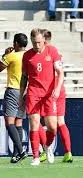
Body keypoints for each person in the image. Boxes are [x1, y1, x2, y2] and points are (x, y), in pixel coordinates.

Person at [19, 28, 64, 166]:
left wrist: (57, 89)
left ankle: (47, 146)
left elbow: (60, 73)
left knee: (52, 127)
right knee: (34, 122)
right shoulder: (27, 55)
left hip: (49, 94)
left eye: (39, 42)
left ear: (44, 40)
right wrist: (21, 96)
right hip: (33, 92)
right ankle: (36, 157)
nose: (37, 45)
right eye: (34, 43)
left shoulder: (52, 51)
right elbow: (24, 77)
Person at [38, 29, 73, 163]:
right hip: (60, 90)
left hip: (49, 92)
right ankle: (68, 152)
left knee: (37, 121)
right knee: (61, 122)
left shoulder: (47, 52)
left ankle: (46, 150)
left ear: (43, 40)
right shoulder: (57, 52)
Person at [0, 33, 29, 163]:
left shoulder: (11, 56)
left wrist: (5, 55)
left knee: (9, 122)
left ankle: (21, 151)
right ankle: (16, 155)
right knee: (18, 123)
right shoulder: (28, 56)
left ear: (15, 43)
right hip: (24, 92)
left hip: (13, 90)